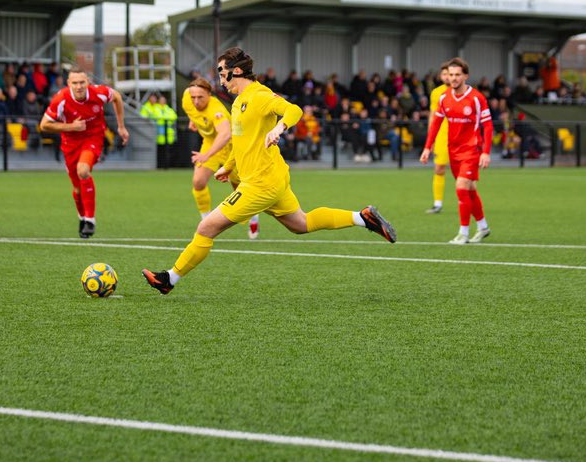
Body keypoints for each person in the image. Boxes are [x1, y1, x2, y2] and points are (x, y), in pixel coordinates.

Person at [142, 47, 397, 295]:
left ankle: (169, 279)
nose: (219, 78)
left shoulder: (259, 96)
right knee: (301, 223)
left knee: (206, 228)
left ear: (237, 71)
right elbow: (241, 141)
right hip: (270, 179)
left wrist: (280, 127)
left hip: (260, 184)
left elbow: (293, 109)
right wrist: (228, 166)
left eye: (221, 72)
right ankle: (362, 218)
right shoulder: (239, 101)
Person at [39, 68, 129, 238]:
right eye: (75, 83)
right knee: (77, 188)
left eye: (82, 82)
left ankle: (90, 220)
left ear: (88, 82)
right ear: (68, 84)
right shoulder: (61, 99)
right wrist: (71, 126)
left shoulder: (98, 93)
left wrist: (121, 126)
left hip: (93, 138)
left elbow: (116, 97)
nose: (79, 86)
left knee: (83, 170)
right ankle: (82, 217)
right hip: (70, 143)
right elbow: (44, 125)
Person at [419, 57, 493, 245]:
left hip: (471, 150)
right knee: (470, 191)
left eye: (457, 75)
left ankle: (463, 233)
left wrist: (485, 151)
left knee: (461, 189)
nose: (453, 78)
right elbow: (435, 124)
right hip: (454, 151)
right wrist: (427, 148)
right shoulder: (444, 98)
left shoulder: (477, 98)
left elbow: (488, 126)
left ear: (465, 76)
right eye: (451, 75)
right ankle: (483, 227)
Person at [181, 78, 259, 239]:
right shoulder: (187, 98)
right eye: (193, 97)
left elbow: (225, 135)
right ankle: (206, 223)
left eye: (200, 97)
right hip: (210, 143)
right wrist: (193, 120)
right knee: (198, 182)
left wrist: (205, 155)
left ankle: (253, 216)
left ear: (209, 95)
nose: (195, 101)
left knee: (239, 187)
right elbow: (193, 111)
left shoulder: (217, 110)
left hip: (231, 146)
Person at [425, 63, 452, 214]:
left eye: (450, 73)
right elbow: (433, 116)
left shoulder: (463, 91)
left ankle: (466, 202)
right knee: (439, 168)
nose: (447, 77)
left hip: (459, 136)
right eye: (444, 74)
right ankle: (437, 204)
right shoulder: (436, 93)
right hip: (442, 136)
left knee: (462, 173)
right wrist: (432, 138)